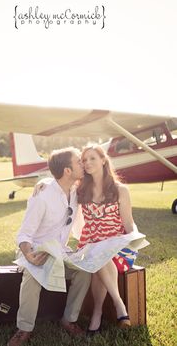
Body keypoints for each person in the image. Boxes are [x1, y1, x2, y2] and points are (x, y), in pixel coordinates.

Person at [7, 147, 91, 346]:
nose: (83, 164)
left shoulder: (76, 190)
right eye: (79, 161)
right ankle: (24, 328)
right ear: (68, 171)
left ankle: (69, 320)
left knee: (84, 272)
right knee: (32, 275)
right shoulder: (43, 196)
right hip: (35, 250)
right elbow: (24, 234)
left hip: (60, 252)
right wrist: (29, 255)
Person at [76, 143, 136, 335]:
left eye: (92, 158)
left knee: (101, 255)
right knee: (97, 253)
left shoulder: (120, 190)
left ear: (103, 160)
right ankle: (119, 307)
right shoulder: (80, 190)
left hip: (118, 248)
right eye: (84, 160)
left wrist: (135, 241)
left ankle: (98, 312)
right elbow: (58, 185)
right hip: (91, 248)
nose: (87, 162)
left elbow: (128, 223)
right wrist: (40, 185)